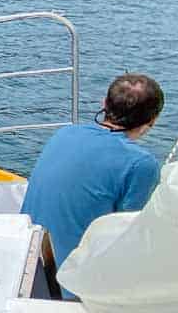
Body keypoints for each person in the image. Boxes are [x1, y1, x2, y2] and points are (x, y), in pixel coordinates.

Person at [22, 73, 164, 276]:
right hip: (70, 282)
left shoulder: (65, 133)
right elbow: (130, 236)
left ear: (104, 103)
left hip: (26, 260)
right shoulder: (141, 164)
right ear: (153, 119)